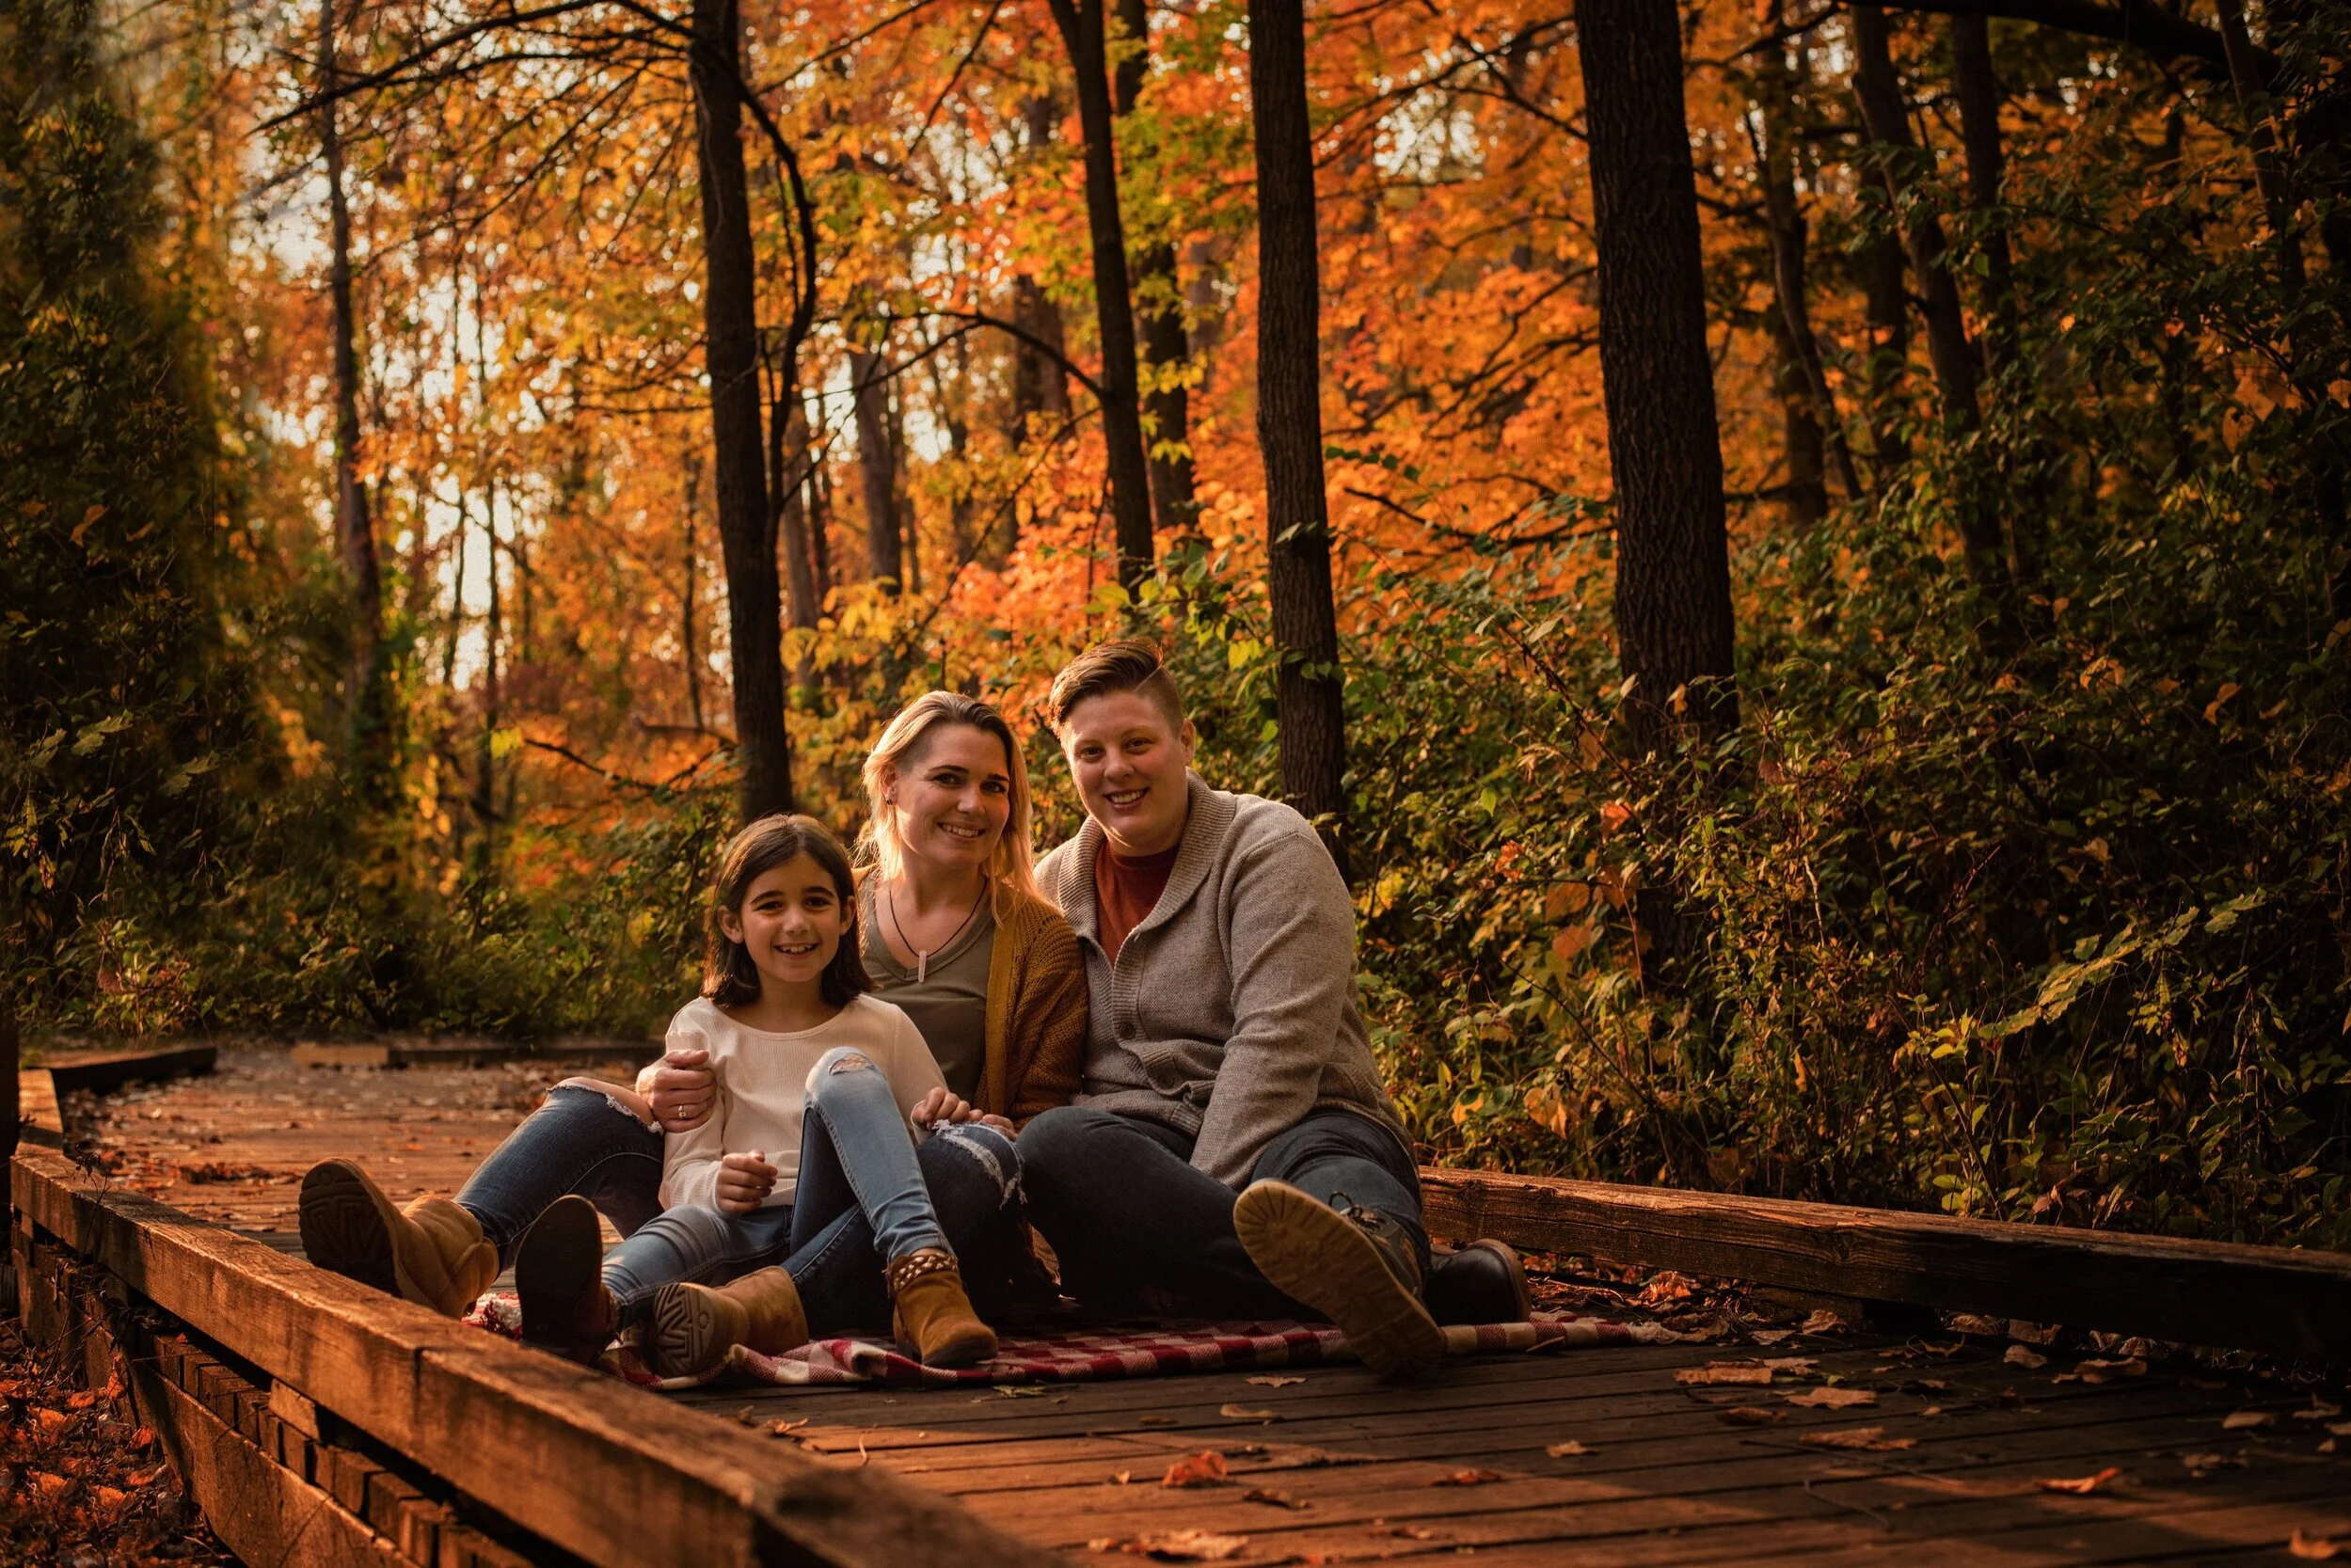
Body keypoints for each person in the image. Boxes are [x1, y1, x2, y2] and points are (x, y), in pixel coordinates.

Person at [296, 692, 1087, 1365]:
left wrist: (974, 1124)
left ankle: (744, 1308)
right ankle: (448, 1250)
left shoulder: (1033, 939)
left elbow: (1038, 1124)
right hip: (725, 1194)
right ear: (890, 782)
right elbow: (724, 1055)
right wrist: (658, 1085)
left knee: (960, 1140)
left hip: (891, 1193)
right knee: (585, 1106)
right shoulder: (820, 901)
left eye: (995, 785)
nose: (974, 804)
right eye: (948, 778)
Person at [1015, 640, 1526, 1377]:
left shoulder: (1267, 844)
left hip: (1301, 1121)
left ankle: (1364, 1253)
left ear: (1185, 741)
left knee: (1320, 1183)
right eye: (1089, 752)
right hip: (1139, 1159)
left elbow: (1278, 1047)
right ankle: (1417, 1285)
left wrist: (1188, 1225)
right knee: (1053, 1145)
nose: (1115, 769)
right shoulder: (1052, 885)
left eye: (1137, 743)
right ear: (1067, 762)